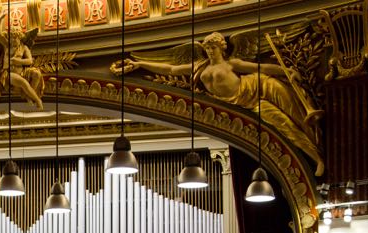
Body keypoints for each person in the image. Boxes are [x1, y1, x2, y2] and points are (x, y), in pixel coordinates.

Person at [114, 30, 325, 176]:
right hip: (249, 105)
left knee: (298, 113)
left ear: (221, 47)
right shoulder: (200, 66)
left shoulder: (232, 63)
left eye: (213, 47)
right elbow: (170, 70)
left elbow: (260, 69)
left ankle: (319, 150)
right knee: (284, 126)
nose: (210, 51)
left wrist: (285, 72)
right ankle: (314, 157)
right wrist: (139, 63)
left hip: (260, 87)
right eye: (207, 48)